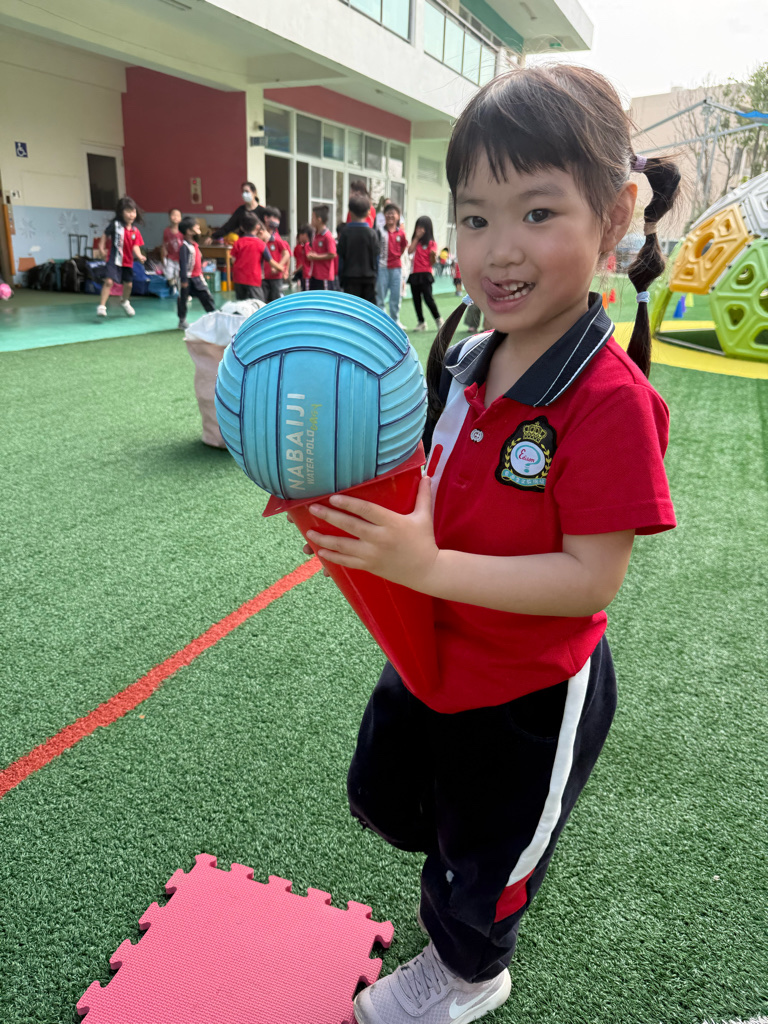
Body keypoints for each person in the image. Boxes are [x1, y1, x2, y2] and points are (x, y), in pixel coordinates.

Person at [301, 64, 680, 1024]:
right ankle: (454, 882)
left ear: (615, 214)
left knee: (489, 858)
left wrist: (426, 565)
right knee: (400, 797)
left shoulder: (609, 403)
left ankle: (471, 972)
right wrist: (372, 525)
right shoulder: (469, 353)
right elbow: (434, 480)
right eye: (475, 218)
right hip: (435, 648)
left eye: (538, 213)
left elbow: (590, 580)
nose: (498, 250)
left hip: (528, 690)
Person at [95, 196, 146, 318]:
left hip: (127, 261)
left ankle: (125, 301)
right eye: (128, 211)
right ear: (121, 212)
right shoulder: (116, 225)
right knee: (109, 281)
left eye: (133, 211)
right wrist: (101, 247)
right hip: (114, 259)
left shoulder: (135, 231)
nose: (131, 215)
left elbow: (135, 246)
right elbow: (105, 235)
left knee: (128, 285)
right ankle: (102, 306)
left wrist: (139, 256)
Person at [338, 194, 379, 302]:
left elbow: (341, 259)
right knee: (368, 309)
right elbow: (376, 259)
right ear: (368, 212)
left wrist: (341, 279)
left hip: (350, 279)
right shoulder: (372, 234)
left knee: (351, 308)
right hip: (369, 279)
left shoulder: (345, 233)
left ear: (350, 212)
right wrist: (376, 277)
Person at [230, 211, 279, 302]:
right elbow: (270, 261)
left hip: (238, 279)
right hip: (253, 279)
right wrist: (281, 268)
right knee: (258, 304)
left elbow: (233, 260)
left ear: (242, 227)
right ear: (257, 227)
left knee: (241, 304)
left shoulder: (238, 242)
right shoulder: (260, 244)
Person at [177, 216, 216, 330]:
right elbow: (183, 264)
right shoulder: (185, 247)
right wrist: (184, 279)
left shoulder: (194, 244)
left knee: (206, 296)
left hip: (197, 278)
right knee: (183, 299)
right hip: (188, 278)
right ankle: (182, 320)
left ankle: (214, 317)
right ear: (189, 231)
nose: (199, 229)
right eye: (196, 227)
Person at [408, 216, 443, 332]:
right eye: (418, 226)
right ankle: (421, 322)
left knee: (428, 298)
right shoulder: (416, 242)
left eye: (422, 227)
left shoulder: (432, 243)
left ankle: (439, 320)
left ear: (427, 229)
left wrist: (433, 256)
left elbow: (432, 262)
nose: (419, 229)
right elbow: (409, 251)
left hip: (426, 274)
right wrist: (416, 238)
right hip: (414, 274)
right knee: (416, 300)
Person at [376, 202, 408, 322]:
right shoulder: (380, 232)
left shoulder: (401, 233)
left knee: (396, 296)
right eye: (388, 213)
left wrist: (396, 256)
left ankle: (395, 321)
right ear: (384, 215)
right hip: (382, 268)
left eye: (393, 213)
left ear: (398, 216)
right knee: (380, 297)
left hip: (396, 269)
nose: (390, 216)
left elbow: (403, 247)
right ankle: (381, 322)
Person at [262, 206, 291, 303]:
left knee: (276, 302)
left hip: (276, 277)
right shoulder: (260, 236)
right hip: (263, 277)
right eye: (274, 218)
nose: (277, 221)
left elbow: (287, 254)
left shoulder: (277, 238)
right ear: (266, 218)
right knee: (263, 303)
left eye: (278, 219)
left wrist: (279, 267)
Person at [307, 205, 337, 291]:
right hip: (314, 275)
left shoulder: (327, 236)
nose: (311, 220)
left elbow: (332, 254)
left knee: (324, 299)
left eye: (313, 218)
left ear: (319, 219)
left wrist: (316, 257)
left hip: (324, 276)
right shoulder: (315, 235)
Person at [161, 207, 183, 295]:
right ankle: (173, 285)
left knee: (179, 276)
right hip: (170, 257)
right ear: (169, 217)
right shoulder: (166, 231)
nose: (175, 217)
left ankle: (182, 293)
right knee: (168, 274)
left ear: (181, 218)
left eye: (178, 215)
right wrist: (163, 256)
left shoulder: (183, 231)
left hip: (180, 258)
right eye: (173, 215)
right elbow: (164, 244)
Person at [292, 225, 313, 292]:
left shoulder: (306, 246)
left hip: (307, 274)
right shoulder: (308, 245)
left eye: (300, 235)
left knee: (307, 292)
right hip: (306, 273)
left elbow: (308, 259)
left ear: (305, 235)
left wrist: (296, 270)